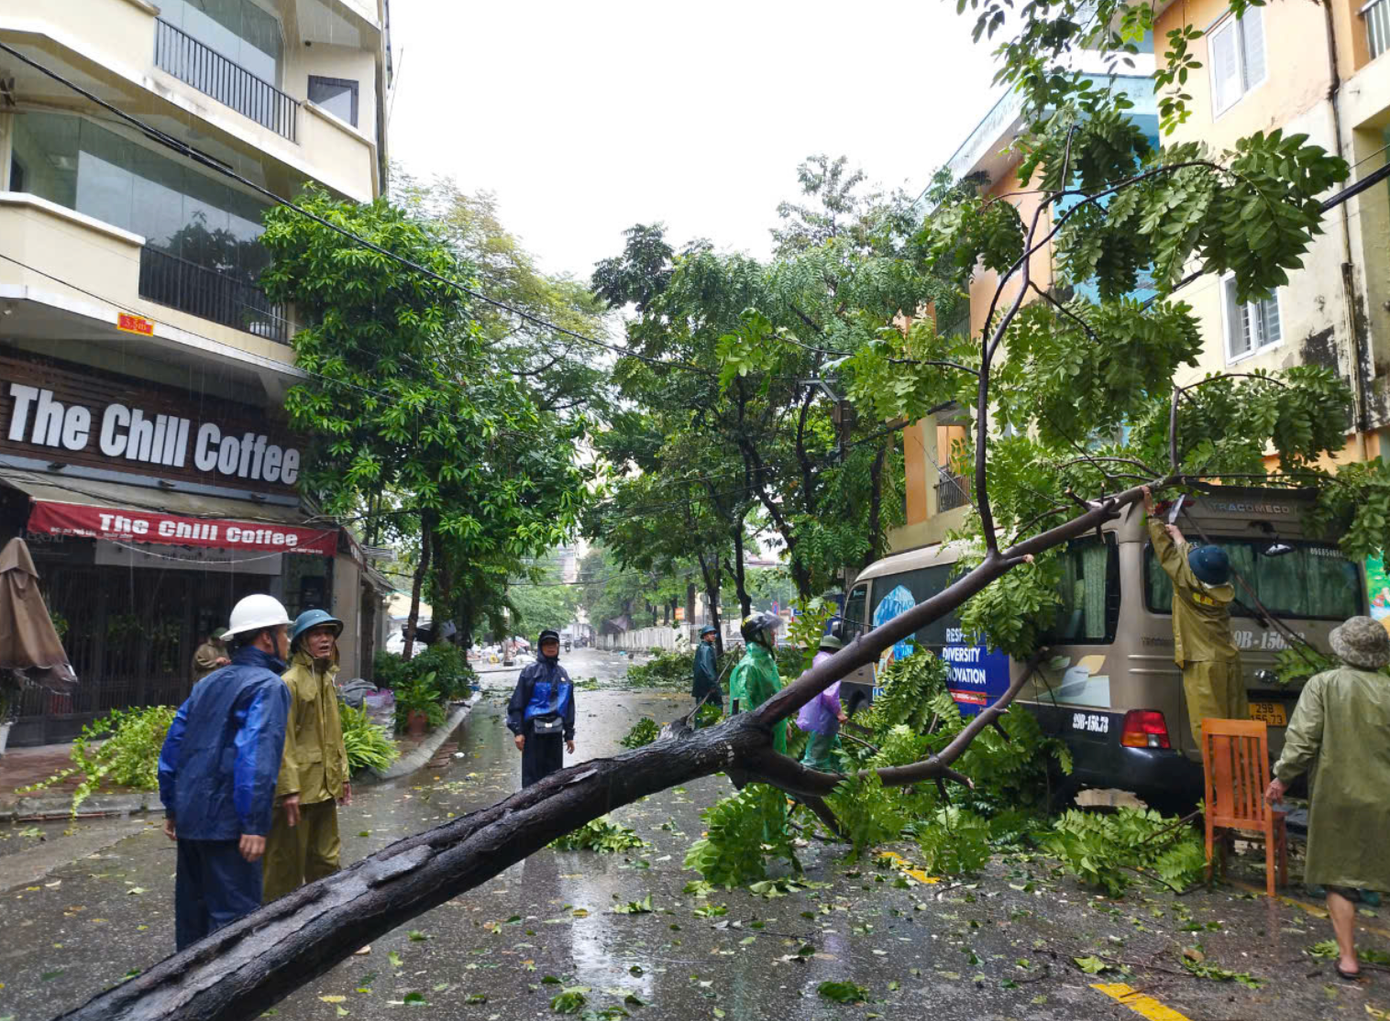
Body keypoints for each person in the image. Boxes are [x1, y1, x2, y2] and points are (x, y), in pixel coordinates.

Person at [157, 594, 292, 951]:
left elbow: (173, 747)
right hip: (229, 827)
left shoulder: (207, 684)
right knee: (234, 928)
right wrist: (254, 823)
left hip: (191, 821)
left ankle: (185, 985)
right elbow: (256, 754)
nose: (288, 641)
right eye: (284, 632)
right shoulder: (268, 685)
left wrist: (172, 806)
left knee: (193, 920)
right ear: (266, 638)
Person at [1264, 616, 1390, 981]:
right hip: (1385, 799)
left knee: (1339, 877)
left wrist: (1281, 778)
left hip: (1338, 797)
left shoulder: (1323, 685)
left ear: (1342, 649)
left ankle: (1348, 959)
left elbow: (1302, 742)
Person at [1142, 486, 1245, 743]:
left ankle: (1217, 768)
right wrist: (1179, 537)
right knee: (1237, 724)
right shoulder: (1224, 590)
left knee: (1208, 726)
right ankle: (1242, 766)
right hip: (1228, 659)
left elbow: (1167, 555)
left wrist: (1152, 516)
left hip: (1202, 662)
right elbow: (1190, 565)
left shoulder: (1186, 586)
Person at [263, 609, 351, 904]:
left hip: (325, 788)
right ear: (302, 641)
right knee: (285, 868)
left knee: (327, 861)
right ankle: (275, 925)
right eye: (316, 633)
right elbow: (282, 739)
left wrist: (343, 775)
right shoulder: (289, 682)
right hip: (297, 793)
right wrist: (288, 789)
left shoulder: (326, 679)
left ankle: (326, 918)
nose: (325, 639)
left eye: (328, 633)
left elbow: (335, 733)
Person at [507, 629, 576, 787]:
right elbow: (518, 702)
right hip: (533, 733)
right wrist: (518, 732)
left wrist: (569, 734)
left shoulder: (563, 674)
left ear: (558, 646)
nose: (550, 647)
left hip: (555, 733)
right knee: (532, 777)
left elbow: (569, 705)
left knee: (555, 777)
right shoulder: (530, 672)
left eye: (553, 643)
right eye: (546, 644)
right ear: (540, 646)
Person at [728, 612, 786, 753]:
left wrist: (784, 723)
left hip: (774, 733)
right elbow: (743, 712)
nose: (774, 633)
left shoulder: (767, 662)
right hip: (760, 743)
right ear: (757, 635)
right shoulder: (749, 667)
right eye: (769, 629)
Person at [798, 629, 848, 772]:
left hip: (816, 716)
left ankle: (842, 780)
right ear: (835, 650)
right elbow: (829, 694)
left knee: (836, 754)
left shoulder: (814, 661)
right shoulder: (830, 663)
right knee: (814, 760)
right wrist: (839, 713)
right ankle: (797, 786)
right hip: (824, 720)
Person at [692, 624, 722, 711]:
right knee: (717, 705)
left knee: (701, 708)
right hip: (707, 686)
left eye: (713, 633)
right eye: (710, 633)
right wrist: (713, 684)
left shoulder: (703, 647)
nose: (713, 635)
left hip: (702, 686)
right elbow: (707, 668)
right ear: (705, 636)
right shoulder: (706, 649)